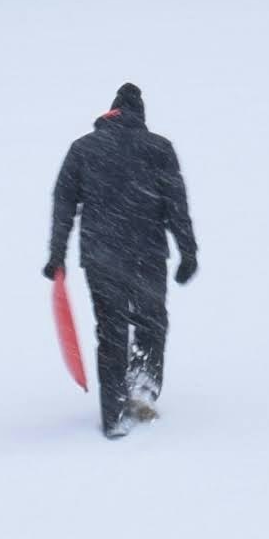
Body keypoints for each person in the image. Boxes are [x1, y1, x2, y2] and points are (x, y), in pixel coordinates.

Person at [43, 83, 197, 439]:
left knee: (110, 331)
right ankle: (143, 387)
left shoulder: (83, 149)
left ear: (109, 114)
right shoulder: (159, 148)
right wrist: (188, 250)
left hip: (101, 255)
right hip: (147, 252)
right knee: (151, 322)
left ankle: (113, 413)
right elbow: (177, 202)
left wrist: (57, 254)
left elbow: (63, 203)